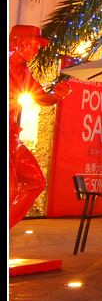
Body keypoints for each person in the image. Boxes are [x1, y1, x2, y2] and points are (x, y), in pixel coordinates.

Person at [9, 26, 59, 228]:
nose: (37, 51)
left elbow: (41, 97)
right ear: (19, 43)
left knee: (35, 181)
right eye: (35, 45)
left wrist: (57, 95)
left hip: (11, 136)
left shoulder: (23, 71)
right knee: (10, 188)